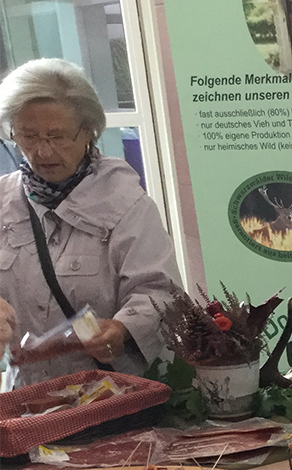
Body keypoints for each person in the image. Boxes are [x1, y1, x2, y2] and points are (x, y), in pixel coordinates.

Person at [0, 58, 180, 380]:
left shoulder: (127, 205)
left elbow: (160, 292)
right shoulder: (3, 202)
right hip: (26, 399)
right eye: (28, 136)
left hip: (108, 393)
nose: (42, 152)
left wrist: (123, 328)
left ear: (89, 131)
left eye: (57, 137)